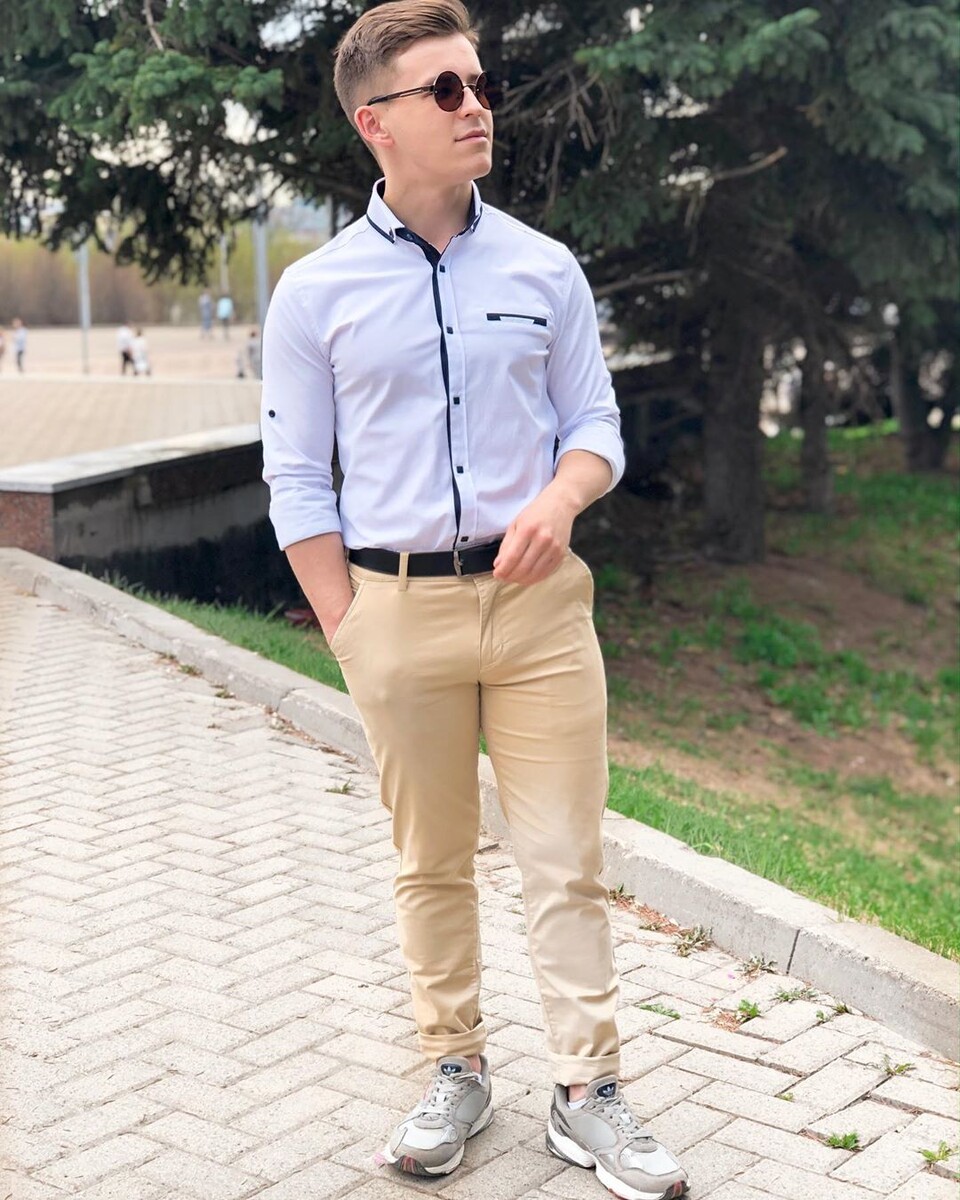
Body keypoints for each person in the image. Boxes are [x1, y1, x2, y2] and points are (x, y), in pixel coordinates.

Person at [260, 4, 689, 1199]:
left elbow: (595, 424)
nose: (476, 106)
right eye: (444, 90)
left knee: (565, 859)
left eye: (480, 83)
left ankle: (588, 1091)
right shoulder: (316, 294)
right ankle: (454, 1068)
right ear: (376, 123)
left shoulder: (545, 268)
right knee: (432, 862)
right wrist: (350, 627)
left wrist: (562, 497)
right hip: (397, 614)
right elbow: (295, 478)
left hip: (542, 611)